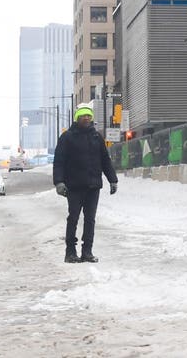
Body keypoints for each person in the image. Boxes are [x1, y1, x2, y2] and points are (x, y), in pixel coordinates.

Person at [53, 104, 118, 263]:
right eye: (83, 116)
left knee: (90, 219)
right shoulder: (67, 137)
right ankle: (70, 252)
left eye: (89, 116)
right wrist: (59, 182)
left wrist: (113, 179)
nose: (86, 118)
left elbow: (105, 161)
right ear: (77, 118)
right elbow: (59, 162)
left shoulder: (97, 137)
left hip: (93, 186)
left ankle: (87, 252)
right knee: (73, 218)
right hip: (74, 186)